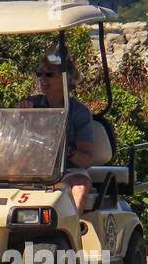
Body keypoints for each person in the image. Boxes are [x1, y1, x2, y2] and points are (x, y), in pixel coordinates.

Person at [15, 51, 97, 213]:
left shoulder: (79, 112)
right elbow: (13, 141)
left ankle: (71, 228)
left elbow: (86, 160)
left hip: (67, 171)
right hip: (33, 169)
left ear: (66, 78)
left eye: (49, 74)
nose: (42, 78)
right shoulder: (30, 105)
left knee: (80, 184)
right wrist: (21, 118)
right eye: (40, 73)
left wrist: (65, 150)